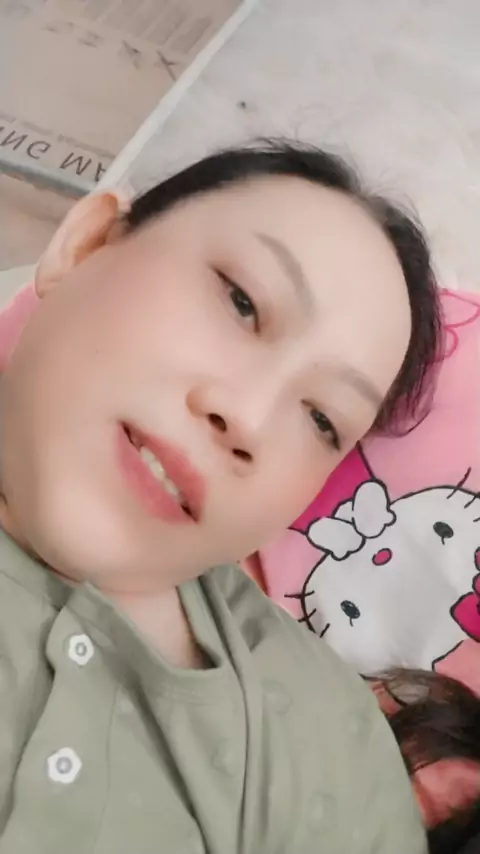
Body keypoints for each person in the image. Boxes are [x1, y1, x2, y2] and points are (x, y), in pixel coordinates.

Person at [0, 138, 467, 853]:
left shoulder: (329, 748)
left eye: (322, 420)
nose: (247, 417)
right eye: (243, 303)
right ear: (86, 244)